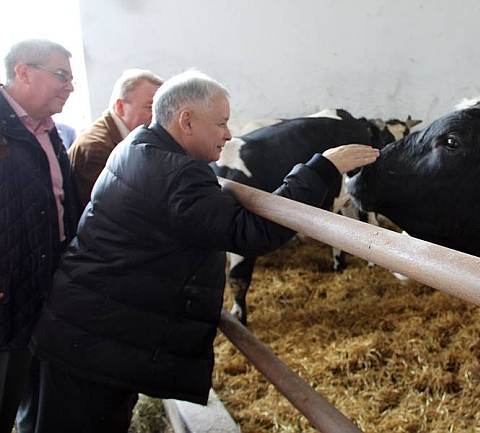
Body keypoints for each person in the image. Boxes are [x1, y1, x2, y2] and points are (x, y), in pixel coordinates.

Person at [29, 70, 379, 432]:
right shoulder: (176, 174)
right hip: (97, 345)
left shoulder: (139, 147)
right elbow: (252, 233)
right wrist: (322, 168)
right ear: (186, 120)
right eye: (221, 123)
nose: (229, 134)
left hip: (91, 334)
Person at [0, 39, 80, 433]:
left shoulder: (50, 131)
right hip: (5, 296)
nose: (69, 87)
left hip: (38, 292)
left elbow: (59, 205)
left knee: (25, 396)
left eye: (71, 78)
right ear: (23, 72)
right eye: (61, 76)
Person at [68, 68, 163, 209]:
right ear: (120, 107)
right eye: (150, 107)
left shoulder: (128, 137)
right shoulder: (96, 148)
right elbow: (109, 210)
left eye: (159, 109)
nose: (158, 117)